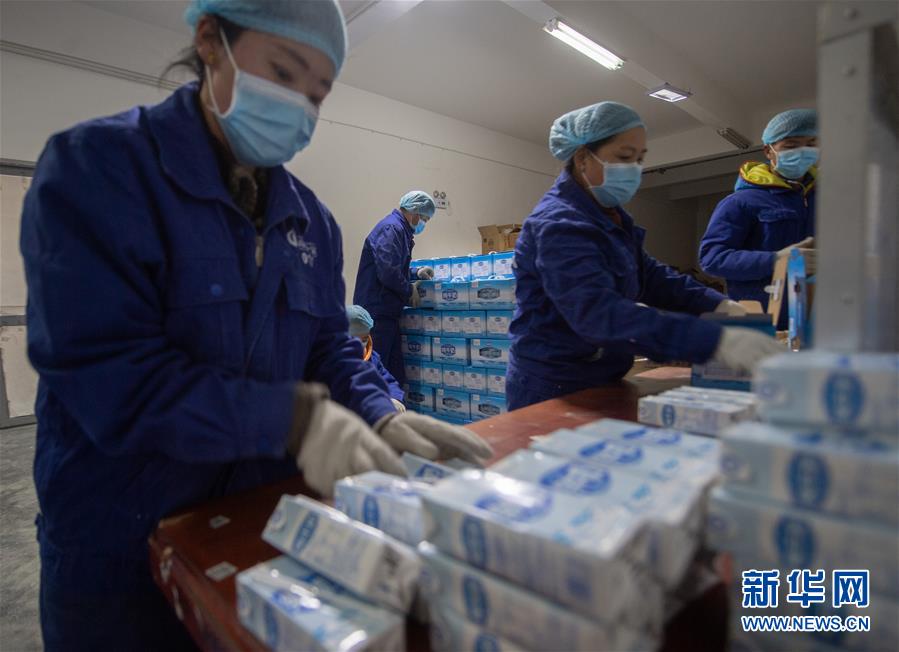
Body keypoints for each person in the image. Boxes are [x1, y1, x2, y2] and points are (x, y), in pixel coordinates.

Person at [20, 2, 491, 649]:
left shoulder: (310, 221)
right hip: (124, 541)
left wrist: (379, 410)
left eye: (317, 94)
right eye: (283, 72)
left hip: (259, 525)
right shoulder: (99, 170)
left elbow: (328, 346)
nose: (299, 106)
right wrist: (292, 420)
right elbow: (106, 374)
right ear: (210, 41)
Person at [507, 101, 784, 410]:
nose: (635, 170)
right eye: (625, 157)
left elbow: (650, 276)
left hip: (601, 375)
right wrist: (714, 341)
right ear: (583, 158)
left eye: (640, 159)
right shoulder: (560, 225)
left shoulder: (610, 215)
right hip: (554, 384)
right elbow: (600, 315)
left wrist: (717, 303)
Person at [699, 109, 818, 324]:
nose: (803, 152)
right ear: (768, 151)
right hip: (763, 321)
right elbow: (712, 258)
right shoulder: (741, 202)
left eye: (811, 144)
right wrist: (775, 261)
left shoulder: (827, 200)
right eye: (791, 146)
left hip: (821, 320)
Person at [353, 190, 436, 384]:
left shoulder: (401, 230)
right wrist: (409, 290)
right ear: (415, 213)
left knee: (394, 371)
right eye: (424, 219)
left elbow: (394, 266)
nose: (423, 224)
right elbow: (388, 272)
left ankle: (394, 401)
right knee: (377, 372)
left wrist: (416, 273)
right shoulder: (391, 229)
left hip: (387, 313)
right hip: (376, 313)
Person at [347, 305, 406, 412]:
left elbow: (387, 381)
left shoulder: (372, 358)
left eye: (364, 339)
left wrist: (394, 397)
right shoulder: (334, 362)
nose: (361, 345)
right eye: (355, 339)